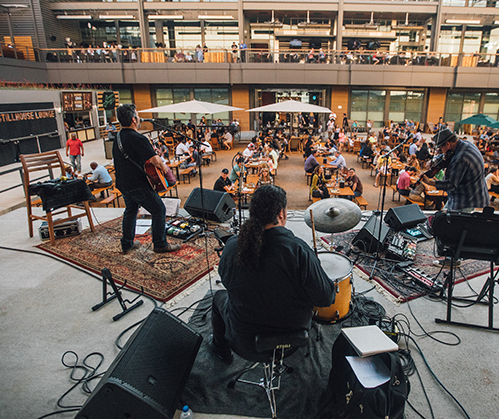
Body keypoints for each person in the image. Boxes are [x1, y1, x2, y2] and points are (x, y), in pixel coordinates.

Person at [209, 185, 335, 362]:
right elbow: (326, 298)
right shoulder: (299, 251)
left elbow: (228, 282)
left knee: (218, 298)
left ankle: (221, 350)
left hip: (243, 342)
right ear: (281, 214)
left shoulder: (232, 247)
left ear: (253, 213)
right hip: (292, 342)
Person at [112, 104, 179, 254]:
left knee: (131, 210)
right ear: (134, 119)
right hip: (137, 183)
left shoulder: (118, 137)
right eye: (137, 114)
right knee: (159, 209)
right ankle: (160, 244)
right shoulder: (138, 138)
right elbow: (155, 161)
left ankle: (127, 243)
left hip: (123, 183)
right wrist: (166, 169)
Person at [421, 128, 490, 212]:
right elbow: (447, 156)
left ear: (447, 144)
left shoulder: (461, 158)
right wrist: (434, 160)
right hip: (460, 196)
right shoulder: (465, 144)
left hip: (466, 200)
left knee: (454, 223)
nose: (441, 151)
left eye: (441, 148)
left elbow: (450, 185)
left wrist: (429, 182)